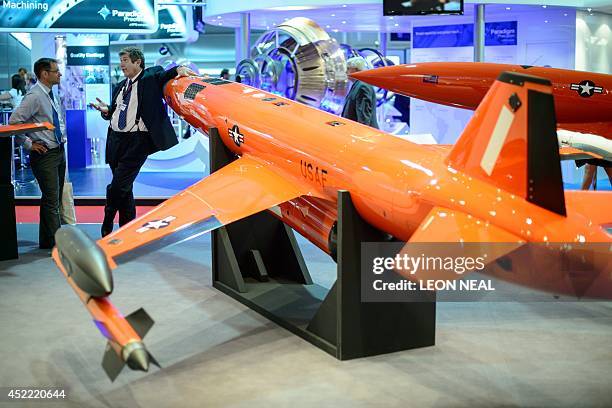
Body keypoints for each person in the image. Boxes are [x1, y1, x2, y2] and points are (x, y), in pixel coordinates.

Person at [90, 47, 196, 237]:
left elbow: (164, 74)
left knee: (118, 185)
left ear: (137, 62)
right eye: (120, 60)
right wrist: (107, 110)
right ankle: (127, 230)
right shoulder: (120, 86)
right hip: (115, 139)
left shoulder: (149, 77)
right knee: (124, 188)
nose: (121, 64)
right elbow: (116, 112)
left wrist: (178, 69)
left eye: (125, 60)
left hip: (137, 142)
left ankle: (108, 219)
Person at [9, 58, 66, 249]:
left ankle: (48, 242)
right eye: (56, 71)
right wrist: (28, 143)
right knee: (51, 201)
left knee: (53, 200)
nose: (59, 74)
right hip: (45, 155)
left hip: (57, 150)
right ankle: (59, 245)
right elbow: (14, 122)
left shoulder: (50, 94)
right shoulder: (34, 96)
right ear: (44, 73)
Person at [341, 57, 379, 129]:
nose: (346, 71)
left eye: (348, 68)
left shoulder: (362, 86)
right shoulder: (358, 85)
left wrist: (361, 134)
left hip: (363, 133)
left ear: (356, 69)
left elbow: (363, 116)